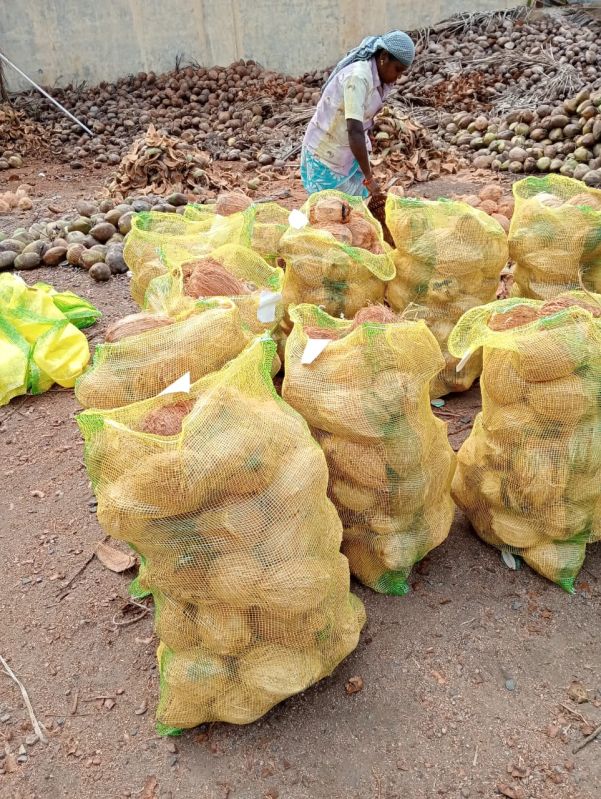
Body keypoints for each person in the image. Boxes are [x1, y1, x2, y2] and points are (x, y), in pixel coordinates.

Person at [301, 31, 415, 200]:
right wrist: (369, 179)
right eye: (397, 70)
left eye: (401, 73)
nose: (397, 77)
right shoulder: (358, 77)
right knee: (331, 214)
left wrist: (368, 133)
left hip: (346, 156)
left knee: (352, 214)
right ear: (383, 56)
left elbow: (362, 119)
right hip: (326, 158)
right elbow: (354, 130)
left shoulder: (378, 79)